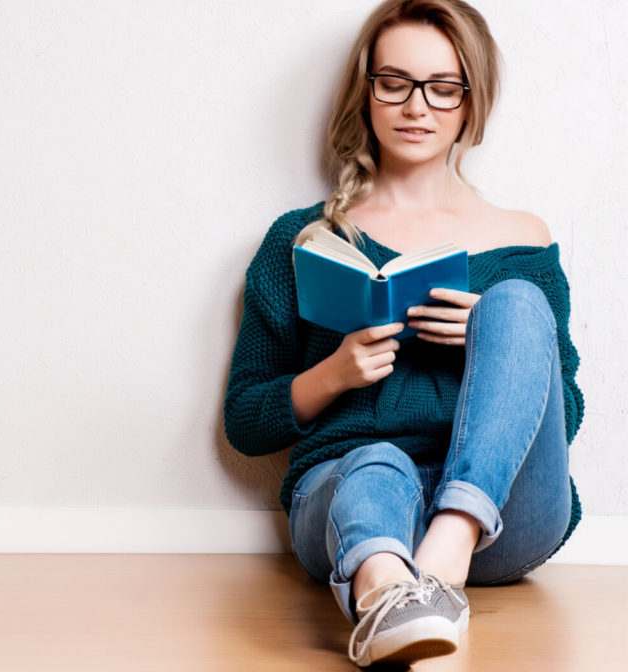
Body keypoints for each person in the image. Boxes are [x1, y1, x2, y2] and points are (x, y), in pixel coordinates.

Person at [222, 0, 585, 667]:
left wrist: (488, 338)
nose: (417, 106)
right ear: (366, 93)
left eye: (443, 88)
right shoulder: (304, 240)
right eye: (395, 82)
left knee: (514, 303)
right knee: (376, 461)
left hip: (495, 522)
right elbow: (245, 421)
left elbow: (567, 407)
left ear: (471, 104)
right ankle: (389, 595)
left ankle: (444, 556)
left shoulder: (524, 237)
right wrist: (332, 374)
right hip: (355, 503)